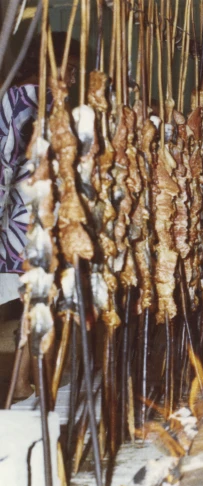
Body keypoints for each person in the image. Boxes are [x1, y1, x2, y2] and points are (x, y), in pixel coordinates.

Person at [3, 33, 79, 400]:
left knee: (33, 297)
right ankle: (24, 380)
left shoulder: (9, 93)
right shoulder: (41, 99)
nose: (77, 78)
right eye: (74, 69)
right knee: (38, 296)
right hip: (26, 214)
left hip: (9, 213)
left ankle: (29, 377)